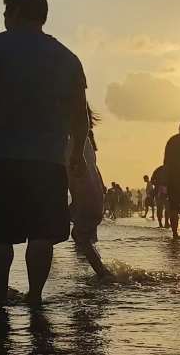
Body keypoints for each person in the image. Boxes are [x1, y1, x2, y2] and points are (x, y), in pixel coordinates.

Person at [0, 0, 89, 305]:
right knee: (42, 234)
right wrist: (76, 154)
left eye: (7, 11)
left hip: (1, 155)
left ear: (18, 11)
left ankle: (0, 294)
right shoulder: (67, 57)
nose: (5, 17)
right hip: (47, 162)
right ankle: (35, 296)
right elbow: (80, 115)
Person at [68, 105, 111, 278]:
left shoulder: (70, 141)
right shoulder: (84, 140)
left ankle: (104, 274)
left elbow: (69, 172)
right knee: (82, 236)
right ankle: (102, 273)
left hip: (87, 198)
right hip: (94, 196)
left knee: (79, 235)